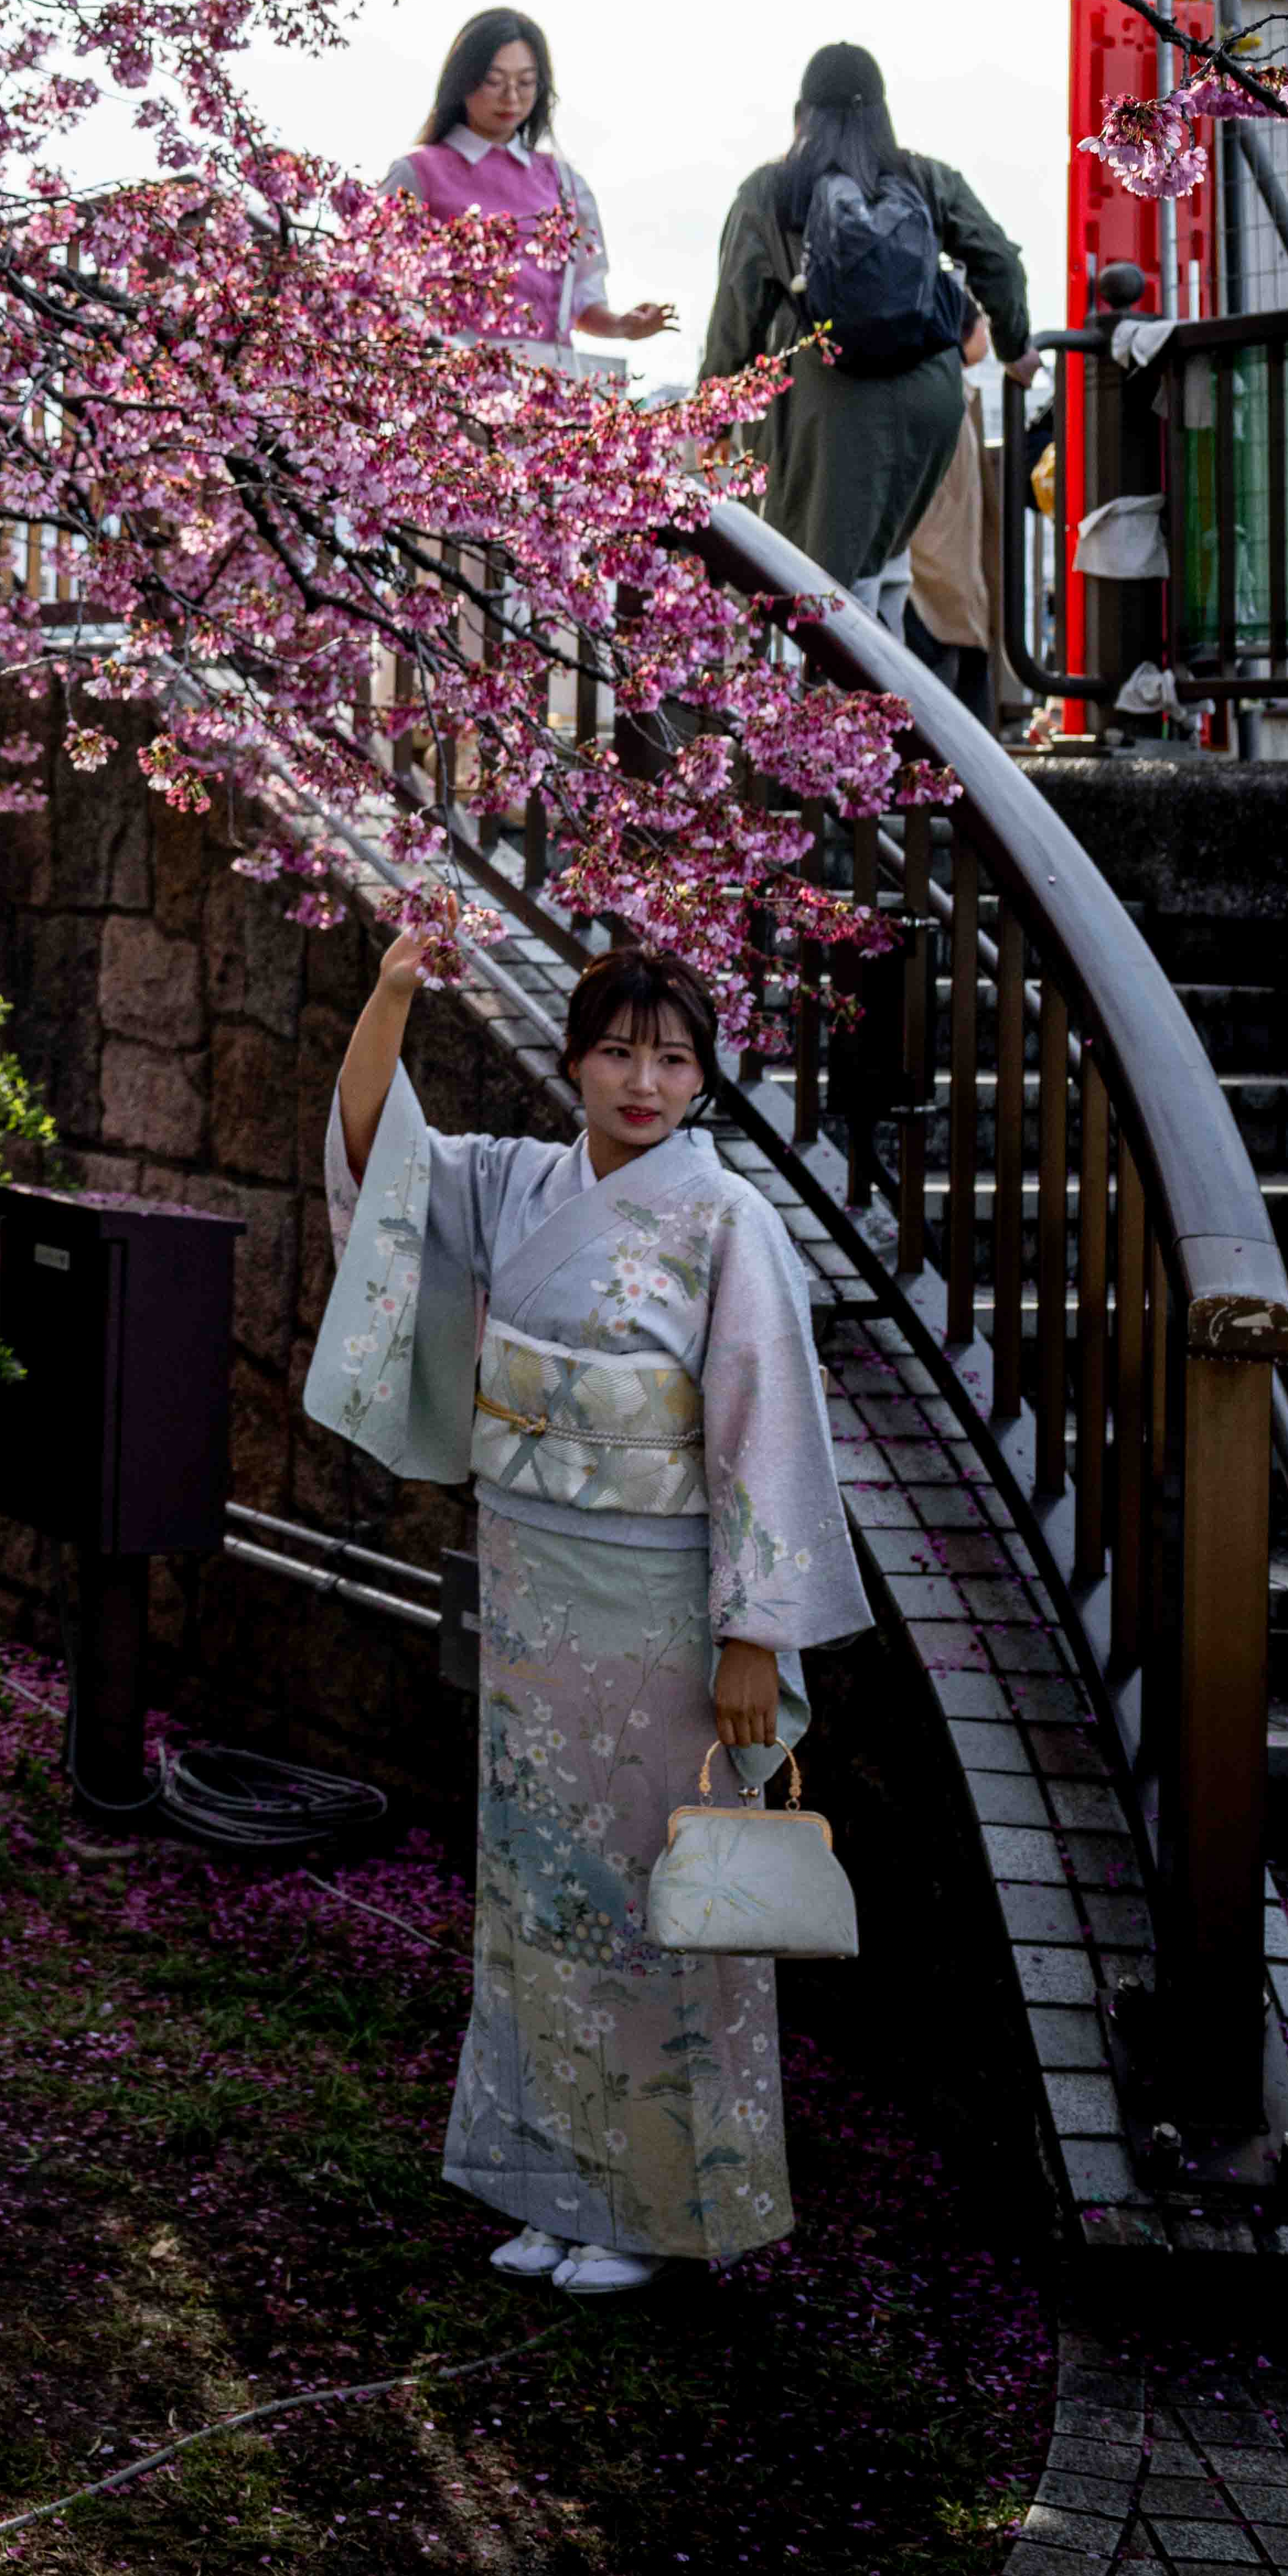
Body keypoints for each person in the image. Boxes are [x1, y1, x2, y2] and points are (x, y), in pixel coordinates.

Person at [306, 932, 866, 2296]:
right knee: (538, 1888)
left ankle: (653, 2205)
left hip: (661, 1597)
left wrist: (753, 1632)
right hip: (535, 1579)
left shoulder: (728, 1220)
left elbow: (767, 1424)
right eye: (618, 1049)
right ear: (571, 1056)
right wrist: (391, 990)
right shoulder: (514, 1180)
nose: (643, 1078)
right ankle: (550, 2179)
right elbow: (378, 1147)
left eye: (673, 1057)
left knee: (645, 1893)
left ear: (703, 1080)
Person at [699, 40, 1032, 631]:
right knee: (885, 556)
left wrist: (712, 417)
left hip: (833, 394)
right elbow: (999, 262)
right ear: (882, 113)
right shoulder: (925, 178)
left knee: (822, 584)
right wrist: (1013, 347)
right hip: (933, 393)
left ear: (801, 115)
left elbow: (736, 316)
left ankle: (834, 717)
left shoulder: (772, 190)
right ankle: (891, 707)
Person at [387, 7, 675, 372]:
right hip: (451, 386)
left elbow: (581, 301)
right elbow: (378, 291)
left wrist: (622, 325)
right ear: (464, 80)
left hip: (547, 390)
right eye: (494, 81)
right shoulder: (418, 173)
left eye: (525, 83)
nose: (511, 98)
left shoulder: (564, 182)